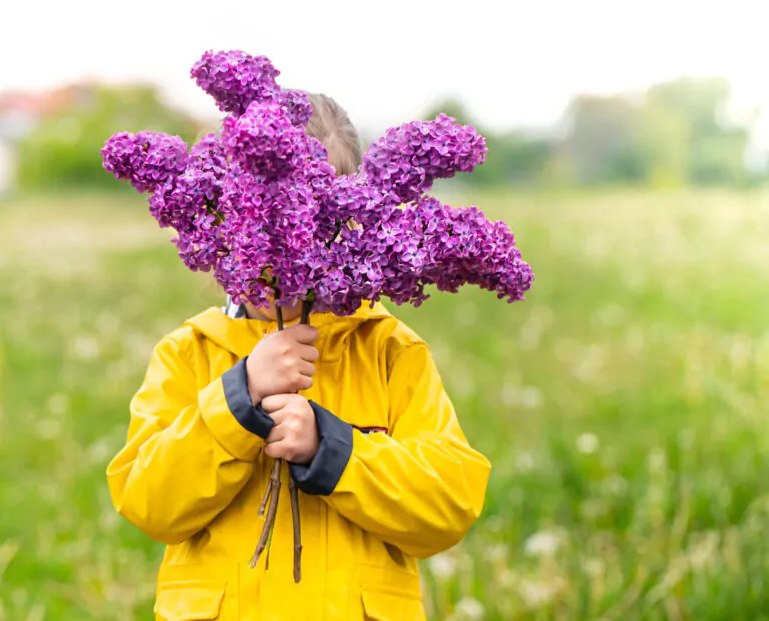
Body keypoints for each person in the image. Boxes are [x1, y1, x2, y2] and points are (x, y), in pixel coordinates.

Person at [106, 93, 492, 621]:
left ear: (357, 221)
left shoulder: (387, 351)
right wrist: (237, 398)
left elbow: (448, 507)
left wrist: (333, 450)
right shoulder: (191, 352)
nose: (280, 252)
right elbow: (149, 503)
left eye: (310, 228)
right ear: (224, 216)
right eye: (257, 220)